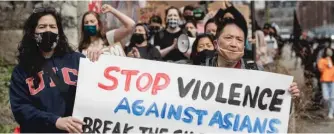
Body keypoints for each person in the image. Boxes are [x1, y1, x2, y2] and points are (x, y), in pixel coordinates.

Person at [10, 7, 85, 133]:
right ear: (33, 32)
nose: (48, 30)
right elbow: (21, 109)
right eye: (42, 26)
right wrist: (55, 121)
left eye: (52, 26)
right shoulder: (21, 71)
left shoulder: (78, 61)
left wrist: (97, 59)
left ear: (59, 31)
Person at [205, 18, 300, 98]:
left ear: (244, 47)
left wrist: (287, 95)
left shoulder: (256, 70)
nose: (234, 44)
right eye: (228, 38)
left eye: (239, 40)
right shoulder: (202, 70)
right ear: (215, 44)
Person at [317, 47, 334, 119]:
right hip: (324, 81)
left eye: (330, 51)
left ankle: (331, 113)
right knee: (325, 97)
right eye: (328, 51)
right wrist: (327, 61)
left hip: (333, 81)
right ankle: (326, 111)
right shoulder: (322, 60)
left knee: (332, 98)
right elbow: (320, 69)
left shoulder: (333, 60)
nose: (329, 52)